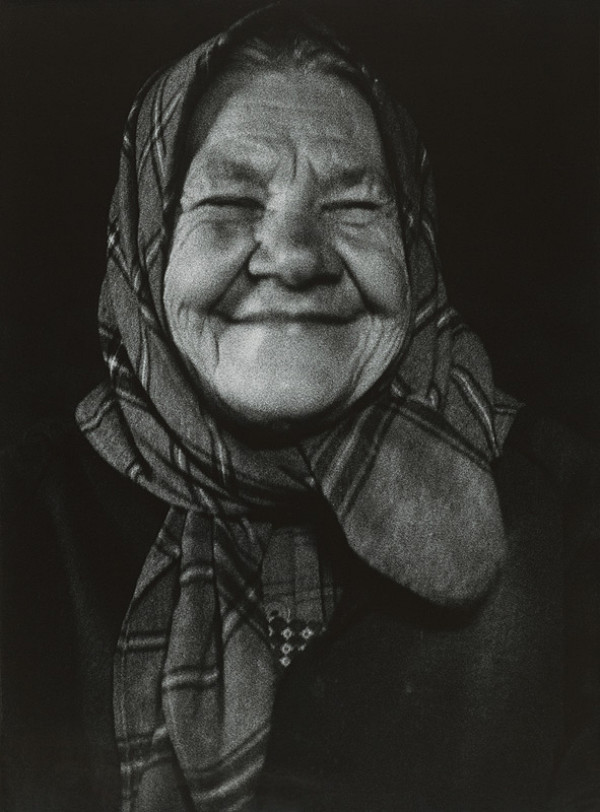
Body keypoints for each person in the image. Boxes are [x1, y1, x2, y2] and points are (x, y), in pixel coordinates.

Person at [1, 4, 598, 811]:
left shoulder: (567, 512)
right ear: (146, 244)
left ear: (415, 243)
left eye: (354, 207)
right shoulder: (26, 516)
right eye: (228, 202)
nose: (293, 256)